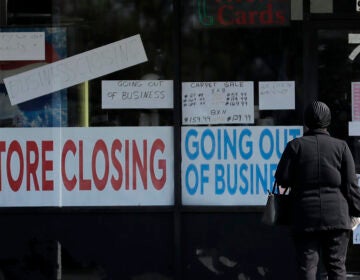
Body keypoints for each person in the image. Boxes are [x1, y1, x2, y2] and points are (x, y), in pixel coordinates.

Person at [275, 101, 360, 280]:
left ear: (306, 121)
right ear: (328, 121)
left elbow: (282, 180)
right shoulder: (341, 147)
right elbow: (351, 185)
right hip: (337, 216)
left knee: (307, 267)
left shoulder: (295, 146)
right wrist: (357, 210)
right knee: (337, 267)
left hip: (305, 215)